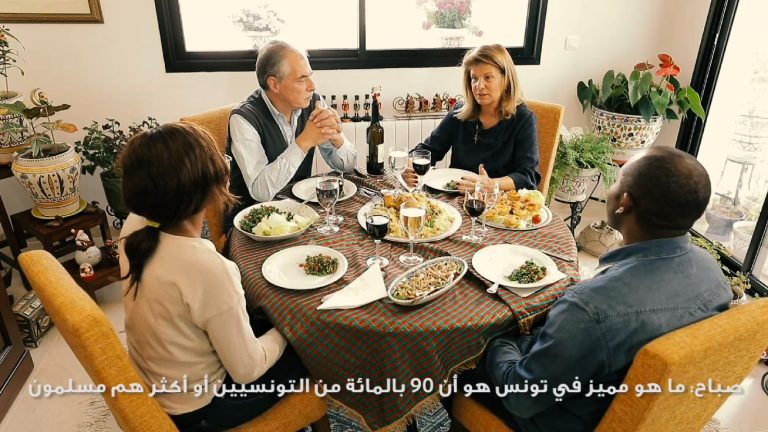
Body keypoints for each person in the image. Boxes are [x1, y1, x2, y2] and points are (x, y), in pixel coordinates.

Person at [467, 147, 732, 432]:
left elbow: (521, 397)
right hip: (647, 409)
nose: (611, 188)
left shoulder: (589, 307)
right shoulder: (713, 273)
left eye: (616, 181)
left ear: (624, 203)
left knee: (464, 366)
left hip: (562, 420)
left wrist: (497, 340)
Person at [119, 122, 306, 431]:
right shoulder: (207, 268)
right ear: (209, 187)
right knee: (312, 347)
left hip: (161, 379)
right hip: (205, 407)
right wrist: (291, 326)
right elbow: (248, 370)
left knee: (262, 318)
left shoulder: (135, 225)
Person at [225, 40, 357, 229]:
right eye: (302, 79)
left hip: (299, 213)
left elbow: (348, 165)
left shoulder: (314, 102)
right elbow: (261, 192)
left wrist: (338, 140)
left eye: (311, 76)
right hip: (253, 222)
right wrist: (304, 141)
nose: (313, 86)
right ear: (274, 84)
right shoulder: (243, 119)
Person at [403, 44, 540, 192]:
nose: (479, 86)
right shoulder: (459, 112)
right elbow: (428, 150)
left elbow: (528, 177)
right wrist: (409, 166)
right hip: (455, 196)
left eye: (488, 77)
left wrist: (490, 184)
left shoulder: (523, 119)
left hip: (496, 200)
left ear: (506, 79)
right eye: (474, 78)